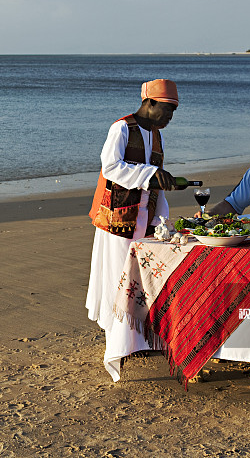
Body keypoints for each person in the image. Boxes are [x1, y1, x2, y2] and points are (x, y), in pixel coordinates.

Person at [86, 79, 179, 332]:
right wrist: (149, 174)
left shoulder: (156, 135)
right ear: (149, 103)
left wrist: (162, 218)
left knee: (140, 280)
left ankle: (136, 335)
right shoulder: (122, 128)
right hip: (118, 219)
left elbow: (153, 180)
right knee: (119, 276)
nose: (170, 116)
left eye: (173, 111)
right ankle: (117, 335)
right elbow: (111, 167)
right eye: (167, 109)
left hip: (145, 218)